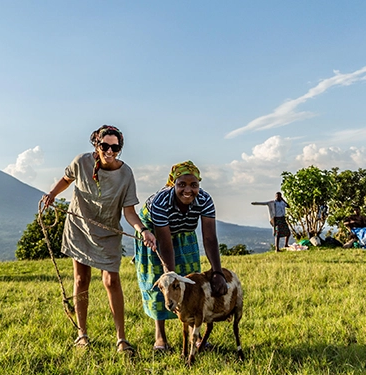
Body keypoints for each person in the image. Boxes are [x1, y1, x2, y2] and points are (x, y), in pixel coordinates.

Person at [40, 125, 156, 356]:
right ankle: (82, 334)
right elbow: (66, 178)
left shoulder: (126, 174)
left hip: (108, 231)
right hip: (79, 227)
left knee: (112, 281)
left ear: (119, 148)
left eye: (115, 147)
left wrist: (143, 230)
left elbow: (129, 212)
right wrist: (52, 194)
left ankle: (121, 338)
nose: (110, 151)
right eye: (105, 146)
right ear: (96, 145)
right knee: (81, 280)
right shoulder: (81, 162)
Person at [133, 161, 227, 352]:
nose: (188, 190)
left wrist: (218, 273)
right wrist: (170, 275)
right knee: (161, 283)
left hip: (184, 233)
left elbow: (209, 238)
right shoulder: (160, 202)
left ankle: (196, 335)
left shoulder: (205, 200)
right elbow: (166, 245)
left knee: (191, 281)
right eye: (181, 184)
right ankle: (160, 338)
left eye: (194, 185)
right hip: (154, 234)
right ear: (173, 184)